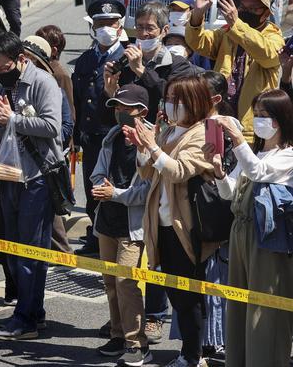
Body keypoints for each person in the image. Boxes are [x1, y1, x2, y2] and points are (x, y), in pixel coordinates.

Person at [125, 75, 219, 367]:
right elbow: (149, 174)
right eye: (168, 99)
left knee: (187, 296)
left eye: (176, 100)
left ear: (194, 102)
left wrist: (152, 148)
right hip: (161, 223)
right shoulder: (169, 131)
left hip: (185, 227)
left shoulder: (202, 133)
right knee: (175, 293)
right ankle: (193, 352)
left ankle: (193, 356)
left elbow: (179, 171)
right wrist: (142, 148)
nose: (170, 105)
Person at [0, 32, 62, 341]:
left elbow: (53, 127)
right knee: (13, 249)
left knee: (31, 250)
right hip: (8, 175)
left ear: (20, 59)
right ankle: (31, 312)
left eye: (2, 66)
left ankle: (26, 317)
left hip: (37, 176)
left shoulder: (42, 83)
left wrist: (13, 118)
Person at [210, 90, 293, 367]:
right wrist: (221, 174)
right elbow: (230, 192)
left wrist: (235, 139)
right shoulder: (256, 152)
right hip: (240, 232)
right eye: (256, 115)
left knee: (264, 309)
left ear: (281, 119)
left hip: (268, 238)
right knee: (238, 303)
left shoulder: (288, 155)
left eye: (264, 116)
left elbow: (258, 172)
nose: (258, 121)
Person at [90, 84, 152, 366]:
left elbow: (149, 191)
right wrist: (99, 184)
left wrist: (114, 193)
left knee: (126, 283)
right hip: (107, 221)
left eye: (126, 108)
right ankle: (117, 335)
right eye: (117, 107)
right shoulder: (112, 136)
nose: (120, 113)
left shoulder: (151, 141)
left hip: (132, 226)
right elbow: (97, 172)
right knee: (110, 282)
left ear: (142, 111)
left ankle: (136, 342)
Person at [185, 0, 284, 141]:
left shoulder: (273, 36)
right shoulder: (227, 32)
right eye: (243, 8)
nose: (245, 12)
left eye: (253, 9)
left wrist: (236, 24)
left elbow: (268, 54)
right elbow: (198, 43)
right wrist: (197, 14)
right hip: (220, 119)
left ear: (266, 13)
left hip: (252, 129)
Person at [72, 0, 127, 256]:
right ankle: (95, 235)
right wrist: (75, 134)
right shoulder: (85, 60)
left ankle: (113, 236)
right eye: (100, 23)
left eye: (111, 23)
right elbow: (78, 100)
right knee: (91, 188)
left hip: (115, 134)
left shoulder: (127, 58)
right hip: (90, 136)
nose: (106, 28)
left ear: (120, 25)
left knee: (112, 186)